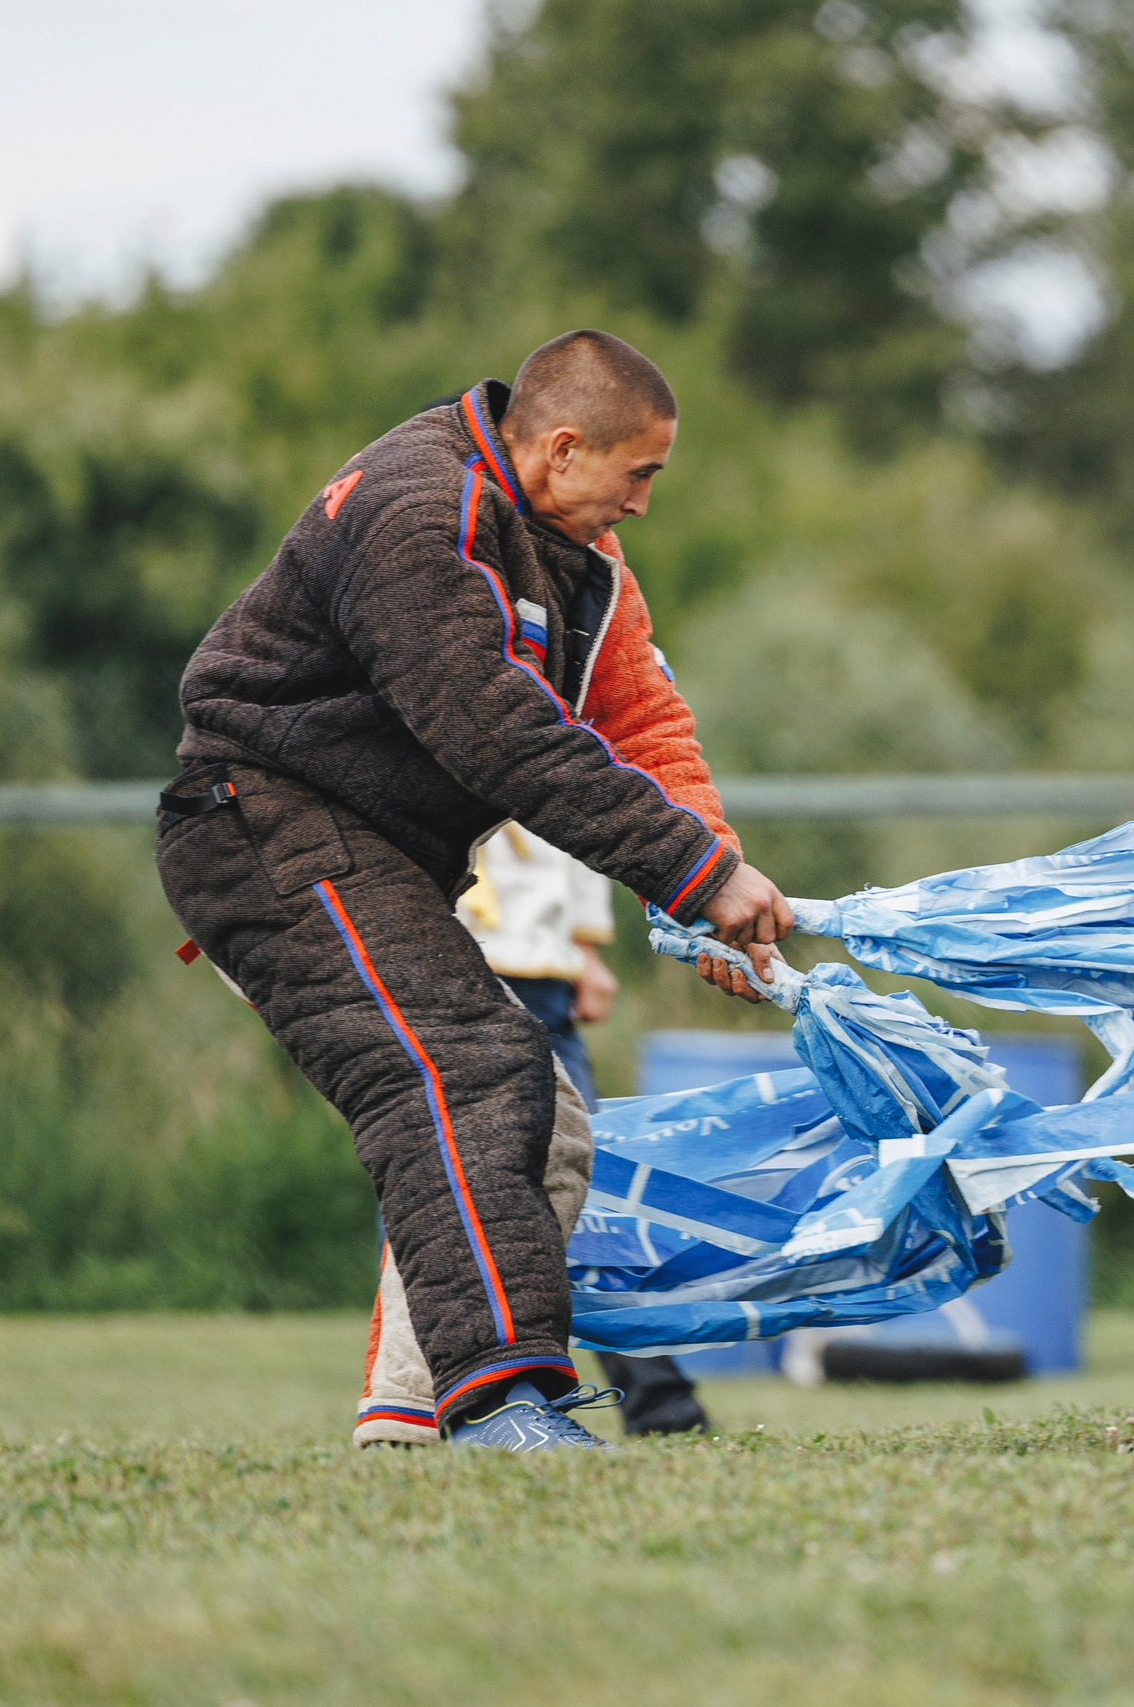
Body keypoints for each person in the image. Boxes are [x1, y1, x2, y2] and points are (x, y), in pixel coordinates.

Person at [158, 331, 787, 1453]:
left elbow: (642, 729)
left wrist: (705, 889)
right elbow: (498, 737)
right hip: (265, 822)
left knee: (542, 1117)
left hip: (362, 847)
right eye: (640, 474)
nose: (645, 504)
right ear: (559, 448)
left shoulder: (578, 560)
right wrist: (697, 877)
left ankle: (416, 1418)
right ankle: (501, 1408)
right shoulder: (415, 511)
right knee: (462, 1071)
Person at [352, 826, 711, 1443]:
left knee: (593, 1183)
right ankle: (414, 1401)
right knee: (427, 1182)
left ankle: (659, 1403)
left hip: (542, 972)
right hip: (437, 963)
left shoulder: (531, 733)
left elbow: (565, 819)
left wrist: (585, 945)